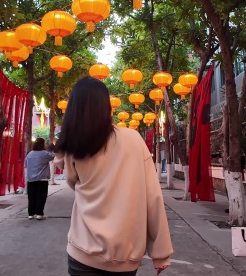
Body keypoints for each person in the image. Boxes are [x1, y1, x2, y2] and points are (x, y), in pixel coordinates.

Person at [54, 76, 173, 276]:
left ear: (74, 109)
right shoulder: (133, 139)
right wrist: (160, 253)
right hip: (125, 258)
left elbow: (73, 184)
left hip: (82, 252)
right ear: (107, 107)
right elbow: (153, 197)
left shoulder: (75, 147)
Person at [24, 138, 54, 220]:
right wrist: (50, 149)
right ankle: (39, 214)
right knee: (41, 197)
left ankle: (31, 214)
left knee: (31, 197)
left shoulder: (29, 154)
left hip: (31, 179)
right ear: (43, 144)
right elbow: (53, 157)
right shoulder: (45, 153)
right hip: (42, 179)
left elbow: (26, 164)